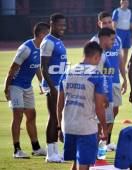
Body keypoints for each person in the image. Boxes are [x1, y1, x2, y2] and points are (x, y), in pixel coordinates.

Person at [57, 41, 108, 170]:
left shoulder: (67, 71)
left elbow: (59, 103)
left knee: (75, 163)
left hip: (68, 125)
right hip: (86, 127)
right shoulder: (96, 74)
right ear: (96, 57)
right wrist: (104, 128)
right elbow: (99, 107)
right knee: (84, 165)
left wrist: (59, 125)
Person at [4, 22, 49, 158]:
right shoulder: (26, 48)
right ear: (41, 34)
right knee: (17, 116)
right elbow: (12, 68)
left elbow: (36, 67)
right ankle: (17, 150)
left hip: (27, 86)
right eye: (48, 34)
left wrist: (42, 83)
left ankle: (36, 148)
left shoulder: (42, 47)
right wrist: (7, 89)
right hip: (16, 85)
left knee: (32, 115)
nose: (49, 37)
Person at [91, 11, 127, 151]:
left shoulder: (117, 39)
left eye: (109, 22)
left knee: (114, 110)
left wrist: (124, 79)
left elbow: (120, 60)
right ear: (99, 24)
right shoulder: (95, 41)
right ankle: (99, 141)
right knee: (101, 113)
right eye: (104, 22)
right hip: (102, 82)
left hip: (116, 80)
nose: (107, 24)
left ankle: (106, 141)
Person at [40, 13, 67, 162]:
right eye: (59, 24)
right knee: (53, 117)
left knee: (58, 118)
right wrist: (52, 88)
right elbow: (43, 68)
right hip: (52, 86)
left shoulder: (58, 41)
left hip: (59, 84)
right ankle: (50, 154)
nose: (62, 27)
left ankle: (56, 151)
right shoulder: (48, 42)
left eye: (64, 24)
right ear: (52, 24)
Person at [112, 0, 132, 67]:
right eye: (125, 2)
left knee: (126, 50)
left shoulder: (129, 11)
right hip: (119, 32)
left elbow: (131, 21)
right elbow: (114, 22)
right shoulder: (117, 11)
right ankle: (116, 66)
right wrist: (114, 32)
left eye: (127, 2)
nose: (126, 4)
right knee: (118, 50)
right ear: (121, 3)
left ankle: (123, 67)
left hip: (127, 32)